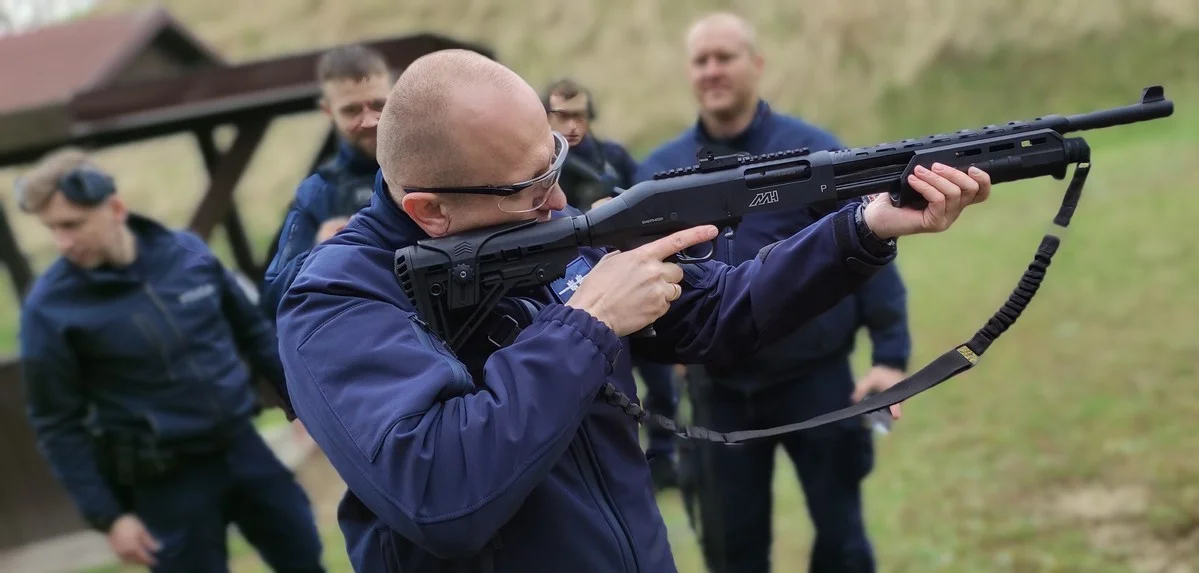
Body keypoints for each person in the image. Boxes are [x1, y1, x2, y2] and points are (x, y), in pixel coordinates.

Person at [274, 48, 989, 573]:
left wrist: (862, 226)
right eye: (531, 188)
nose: (559, 203)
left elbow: (718, 311)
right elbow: (440, 492)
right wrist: (584, 325)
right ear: (429, 210)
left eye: (554, 163)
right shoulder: (333, 300)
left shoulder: (527, 231)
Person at [635, 12, 911, 573]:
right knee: (733, 552)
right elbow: (638, 285)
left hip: (819, 382)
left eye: (725, 57)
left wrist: (889, 358)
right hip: (719, 397)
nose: (713, 70)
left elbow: (872, 252)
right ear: (689, 73)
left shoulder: (817, 155)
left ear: (756, 65)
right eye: (701, 60)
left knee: (843, 540)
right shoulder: (659, 175)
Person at [15, 149, 325, 572]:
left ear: (115, 208)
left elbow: (254, 334)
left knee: (304, 556)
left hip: (242, 448)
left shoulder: (187, 254)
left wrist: (305, 407)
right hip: (163, 482)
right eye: (51, 229)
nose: (62, 242)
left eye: (72, 225)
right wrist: (109, 517)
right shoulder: (49, 309)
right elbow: (56, 425)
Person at [541, 76, 682, 490]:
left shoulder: (612, 157)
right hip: (575, 286)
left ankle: (664, 458)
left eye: (579, 115)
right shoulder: (544, 164)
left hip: (630, 272)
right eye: (561, 115)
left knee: (659, 380)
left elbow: (645, 200)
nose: (571, 126)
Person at [260, 43, 392, 322]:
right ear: (328, 111)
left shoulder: (433, 162)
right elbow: (273, 295)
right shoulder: (317, 193)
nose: (369, 120)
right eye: (352, 110)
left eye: (379, 105)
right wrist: (318, 253)